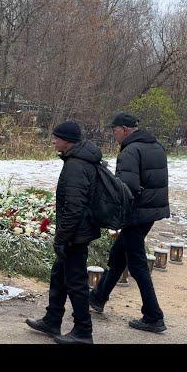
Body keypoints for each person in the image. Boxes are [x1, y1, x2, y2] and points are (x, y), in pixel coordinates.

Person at [89, 112, 168, 333]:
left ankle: (153, 316)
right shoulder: (156, 146)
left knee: (137, 263)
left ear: (124, 129)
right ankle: (98, 297)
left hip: (137, 214)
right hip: (151, 211)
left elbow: (126, 188)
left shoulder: (131, 150)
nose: (113, 135)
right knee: (118, 255)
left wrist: (113, 210)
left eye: (114, 131)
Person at [25, 121, 101, 344]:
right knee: (59, 275)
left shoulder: (76, 165)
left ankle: (83, 331)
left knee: (75, 282)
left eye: (57, 137)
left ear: (67, 140)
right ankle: (52, 319)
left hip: (76, 234)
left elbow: (74, 207)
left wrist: (63, 238)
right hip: (77, 231)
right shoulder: (77, 160)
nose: (53, 140)